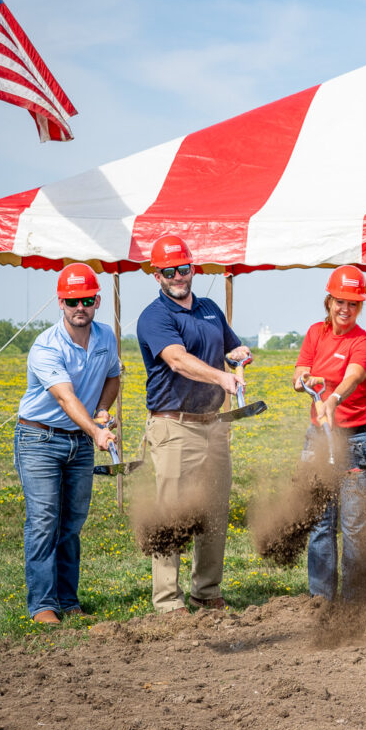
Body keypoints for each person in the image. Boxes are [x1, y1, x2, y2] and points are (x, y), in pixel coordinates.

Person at [136, 235, 250, 613]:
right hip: (174, 426)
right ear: (157, 276)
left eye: (183, 268)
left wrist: (238, 353)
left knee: (214, 511)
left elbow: (229, 346)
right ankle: (168, 601)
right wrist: (221, 378)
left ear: (193, 268)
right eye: (169, 271)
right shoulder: (155, 317)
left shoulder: (210, 309)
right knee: (172, 513)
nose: (178, 276)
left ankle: (207, 591)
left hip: (213, 425)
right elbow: (178, 360)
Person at [14, 263, 122, 625]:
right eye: (73, 300)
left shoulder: (106, 336)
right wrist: (97, 431)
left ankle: (68, 598)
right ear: (60, 302)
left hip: (80, 440)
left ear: (97, 301)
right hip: (39, 438)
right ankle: (43, 606)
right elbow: (66, 398)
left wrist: (103, 411)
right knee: (44, 521)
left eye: (87, 299)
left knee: (72, 523)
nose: (80, 307)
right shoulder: (46, 346)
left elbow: (113, 375)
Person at [292, 266, 366, 602]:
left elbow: (353, 377)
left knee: (355, 529)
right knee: (320, 525)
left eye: (354, 304)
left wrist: (333, 397)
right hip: (318, 439)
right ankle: (321, 603)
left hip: (357, 440)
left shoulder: (365, 342)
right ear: (329, 301)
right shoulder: (316, 333)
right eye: (340, 302)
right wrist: (305, 381)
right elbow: (300, 371)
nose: (346, 309)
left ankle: (355, 606)